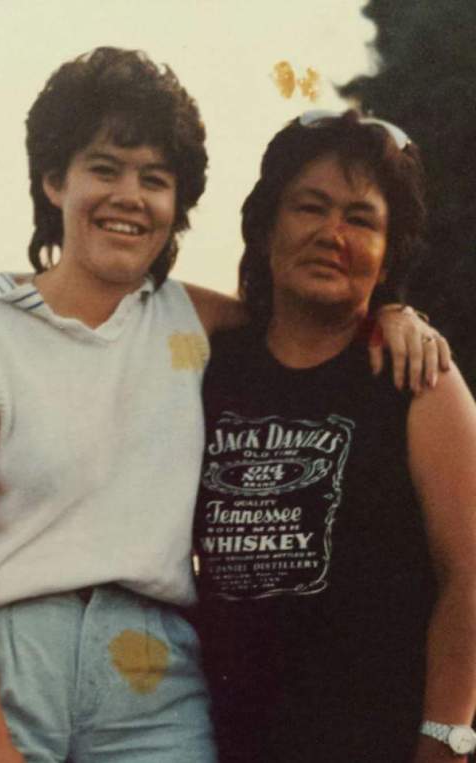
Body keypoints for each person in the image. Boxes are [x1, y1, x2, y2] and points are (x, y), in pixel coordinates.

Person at [0, 47, 448, 763]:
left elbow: (308, 315)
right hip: (5, 664)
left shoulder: (193, 321)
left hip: (153, 674)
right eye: (103, 167)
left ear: (178, 203)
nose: (129, 196)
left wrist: (389, 311)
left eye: (155, 179)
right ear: (53, 180)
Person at [193, 110, 476, 763]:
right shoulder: (209, 363)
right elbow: (132, 293)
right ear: (267, 225)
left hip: (378, 741)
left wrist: (447, 738)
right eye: (309, 207)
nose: (331, 233)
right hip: (214, 740)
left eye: (361, 218)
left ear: (390, 249)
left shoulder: (419, 377)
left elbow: (467, 576)